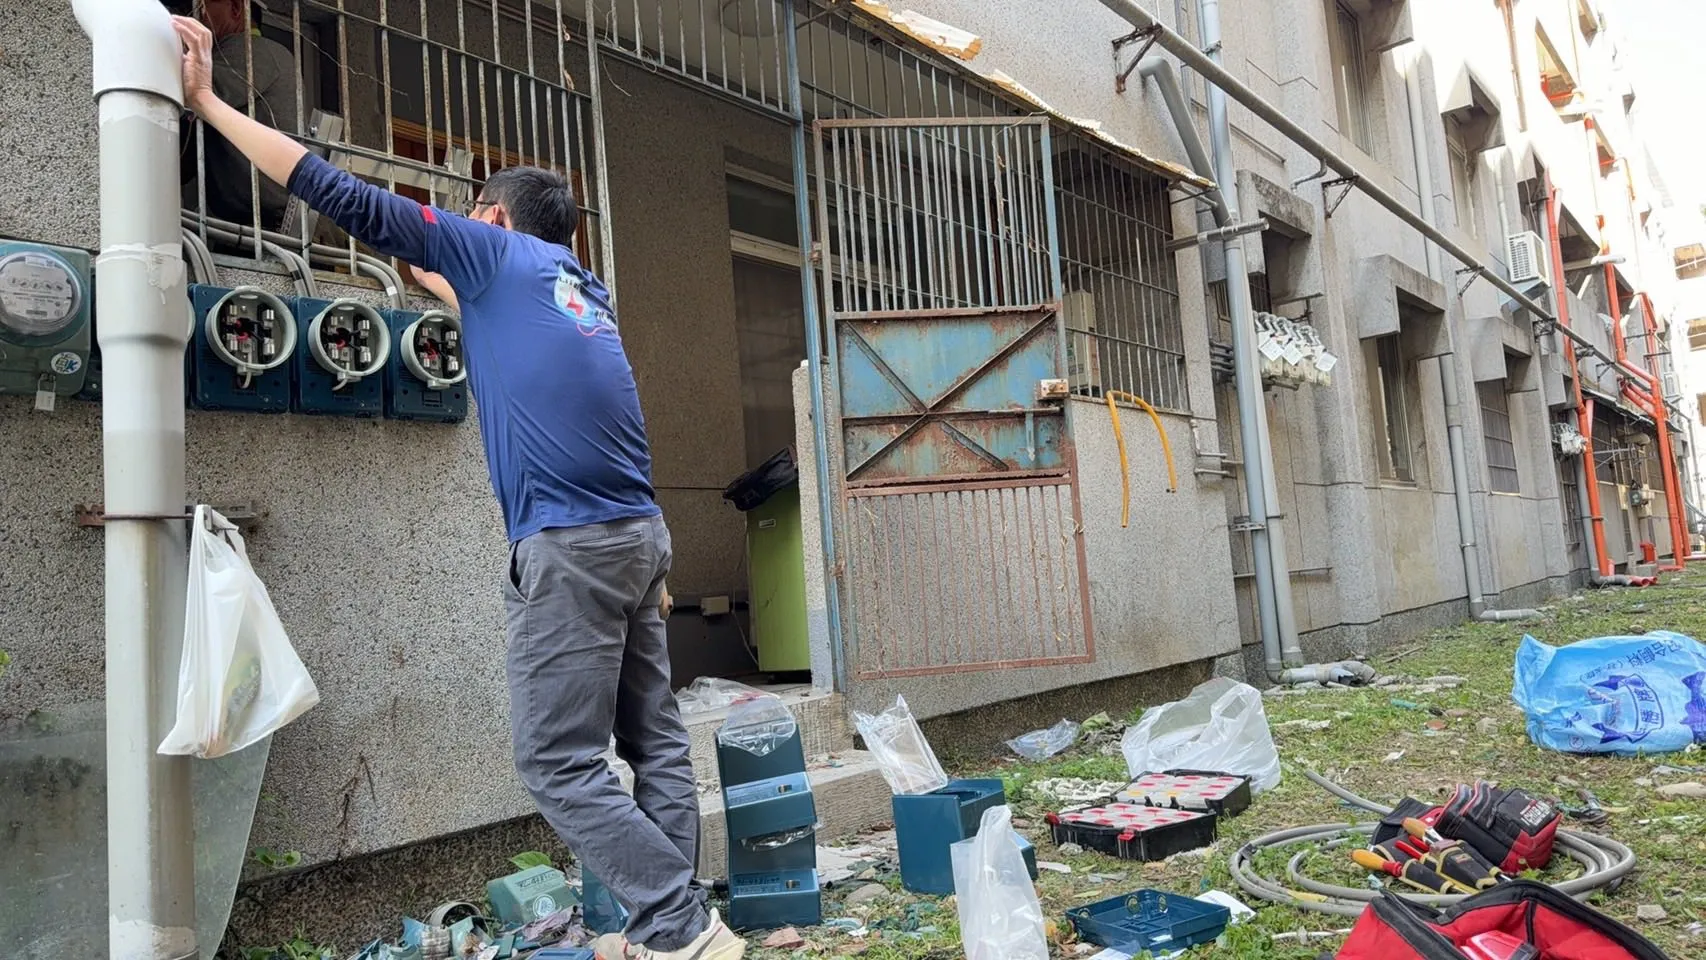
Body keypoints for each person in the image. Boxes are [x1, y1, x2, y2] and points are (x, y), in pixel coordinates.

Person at [170, 16, 743, 960]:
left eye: (473, 221)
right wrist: (434, 269)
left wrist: (207, 102)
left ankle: (680, 926)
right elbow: (468, 303)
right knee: (654, 742)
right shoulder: (576, 289)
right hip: (639, 537)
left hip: (571, 545)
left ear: (493, 223)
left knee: (555, 763)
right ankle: (666, 929)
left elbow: (333, 190)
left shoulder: (498, 256)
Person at [179, 0, 300, 230]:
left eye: (202, 7)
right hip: (258, 222)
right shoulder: (272, 54)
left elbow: (194, 92)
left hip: (266, 222)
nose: (196, 17)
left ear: (235, 8)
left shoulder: (248, 49)